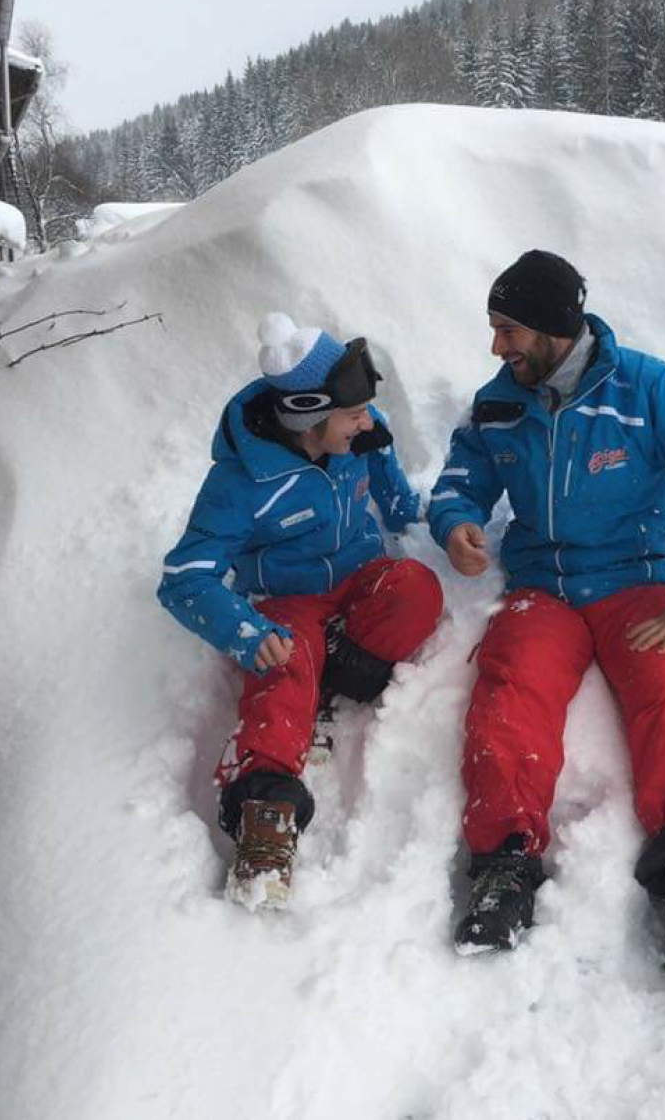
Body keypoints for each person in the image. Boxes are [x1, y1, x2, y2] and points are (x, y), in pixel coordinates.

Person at [428, 250, 665, 986]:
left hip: (637, 582)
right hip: (542, 586)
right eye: (493, 329)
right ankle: (504, 866)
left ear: (551, 326)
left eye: (507, 329)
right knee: (509, 692)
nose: (496, 346)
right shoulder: (499, 401)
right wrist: (455, 525)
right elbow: (460, 479)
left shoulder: (646, 388)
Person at [159, 314, 443, 909]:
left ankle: (326, 675)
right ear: (310, 416)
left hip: (361, 576)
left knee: (417, 590)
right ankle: (267, 808)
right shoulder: (241, 483)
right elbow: (185, 579)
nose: (368, 420)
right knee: (283, 656)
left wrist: (428, 516)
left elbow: (396, 504)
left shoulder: (362, 432)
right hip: (288, 597)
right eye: (354, 414)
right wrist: (245, 631)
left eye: (369, 409)